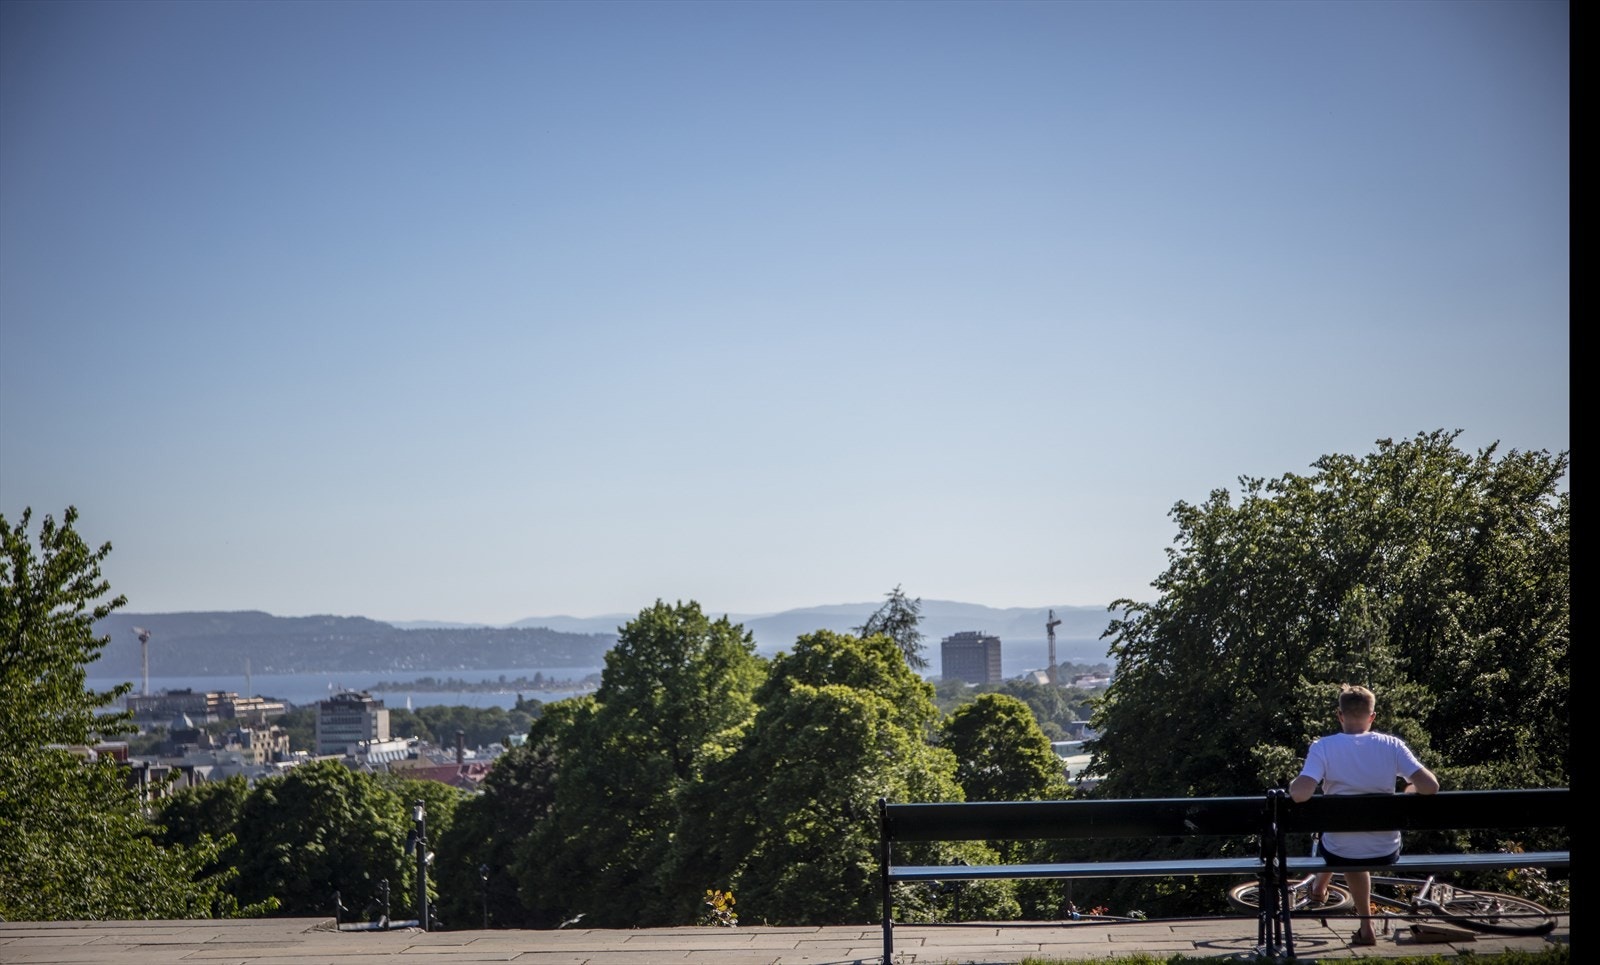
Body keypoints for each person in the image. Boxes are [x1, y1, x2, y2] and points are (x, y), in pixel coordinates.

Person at [1287, 684, 1440, 947]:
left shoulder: (1323, 747)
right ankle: (1324, 892)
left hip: (1339, 848)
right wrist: (1408, 790)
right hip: (1386, 847)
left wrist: (1293, 784)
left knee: (1341, 845)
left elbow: (1300, 794)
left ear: (1340, 715)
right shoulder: (1392, 745)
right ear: (1372, 717)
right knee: (1348, 844)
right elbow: (1430, 787)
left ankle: (1361, 923)